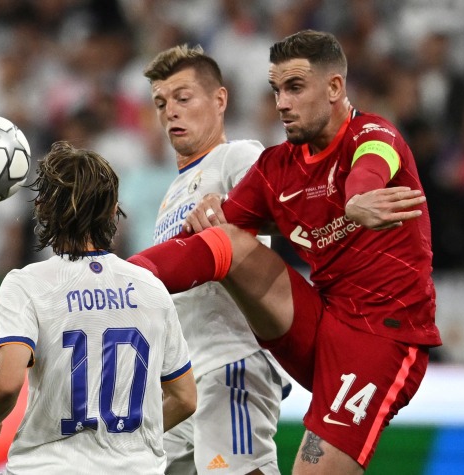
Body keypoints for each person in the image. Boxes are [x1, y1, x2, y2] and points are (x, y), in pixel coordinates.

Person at [129, 30, 442, 474]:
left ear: (334, 87)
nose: (281, 103)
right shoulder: (276, 166)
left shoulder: (374, 134)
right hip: (321, 320)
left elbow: (371, 167)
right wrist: (121, 276)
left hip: (382, 335)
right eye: (276, 90)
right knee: (226, 238)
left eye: (294, 88)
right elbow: (206, 243)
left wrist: (358, 197)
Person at [0, 141, 197, 474]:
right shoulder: (150, 288)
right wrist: (127, 447)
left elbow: (7, 384)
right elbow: (185, 398)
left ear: (43, 209)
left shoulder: (27, 284)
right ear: (114, 210)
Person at [141, 44, 290, 475]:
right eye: (161, 103)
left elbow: (279, 205)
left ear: (219, 100)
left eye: (183, 98)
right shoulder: (173, 192)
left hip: (230, 360)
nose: (171, 111)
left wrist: (232, 206)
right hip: (183, 381)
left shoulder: (236, 156)